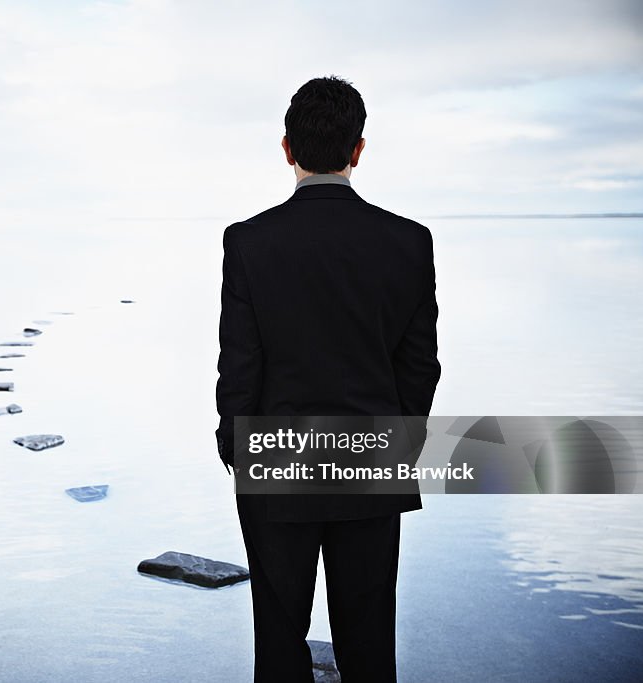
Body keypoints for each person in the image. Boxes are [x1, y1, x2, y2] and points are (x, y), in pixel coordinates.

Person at [215, 76, 441, 682]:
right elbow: (420, 366)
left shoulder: (248, 242)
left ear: (286, 148)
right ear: (358, 150)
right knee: (369, 642)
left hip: (275, 458)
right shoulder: (409, 243)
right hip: (370, 456)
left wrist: (233, 444)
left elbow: (239, 362)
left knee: (279, 640)